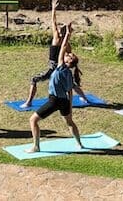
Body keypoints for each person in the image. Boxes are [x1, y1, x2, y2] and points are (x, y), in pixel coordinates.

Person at [21, 0, 92, 109]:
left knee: (34, 79)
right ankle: (85, 98)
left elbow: (53, 22)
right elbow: (56, 27)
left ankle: (29, 102)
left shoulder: (57, 40)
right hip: (61, 69)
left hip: (54, 68)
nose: (57, 30)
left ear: (61, 33)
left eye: (59, 30)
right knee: (72, 85)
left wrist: (53, 9)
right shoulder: (66, 44)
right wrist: (68, 32)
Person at [27, 25, 83, 153]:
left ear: (68, 62)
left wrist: (68, 34)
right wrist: (70, 107)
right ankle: (80, 144)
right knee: (70, 122)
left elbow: (63, 47)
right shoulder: (69, 74)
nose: (67, 54)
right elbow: (70, 91)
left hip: (54, 101)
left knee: (33, 120)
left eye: (69, 56)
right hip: (63, 101)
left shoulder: (61, 66)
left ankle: (36, 146)